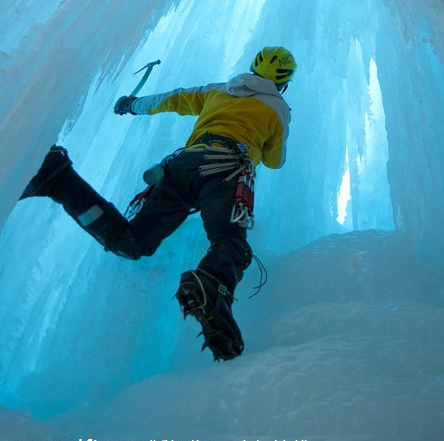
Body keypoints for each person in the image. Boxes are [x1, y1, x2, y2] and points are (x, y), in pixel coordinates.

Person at [19, 46, 297, 361]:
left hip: (181, 167)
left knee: (133, 241)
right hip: (225, 171)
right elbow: (276, 160)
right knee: (231, 242)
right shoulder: (278, 108)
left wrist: (133, 105)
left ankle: (56, 177)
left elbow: (173, 99)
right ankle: (212, 284)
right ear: (284, 82)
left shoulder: (220, 90)